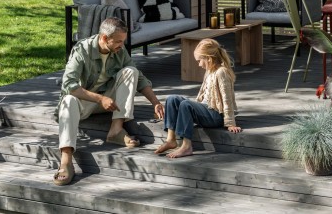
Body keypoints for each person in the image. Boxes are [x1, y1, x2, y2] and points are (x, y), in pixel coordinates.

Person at [53, 17, 165, 186]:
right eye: (119, 41)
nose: (122, 45)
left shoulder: (119, 49)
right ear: (104, 38)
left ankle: (116, 130)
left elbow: (139, 78)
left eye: (123, 41)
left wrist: (155, 102)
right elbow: (69, 85)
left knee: (131, 71)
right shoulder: (82, 50)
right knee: (68, 100)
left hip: (109, 100)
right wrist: (100, 98)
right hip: (85, 103)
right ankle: (66, 160)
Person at [154, 38, 241, 159]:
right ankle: (171, 139)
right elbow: (203, 96)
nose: (199, 64)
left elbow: (227, 99)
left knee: (186, 105)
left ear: (208, 58)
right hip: (207, 110)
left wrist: (230, 123)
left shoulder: (222, 72)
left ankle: (186, 146)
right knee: (172, 99)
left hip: (216, 116)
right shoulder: (210, 71)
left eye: (200, 60)